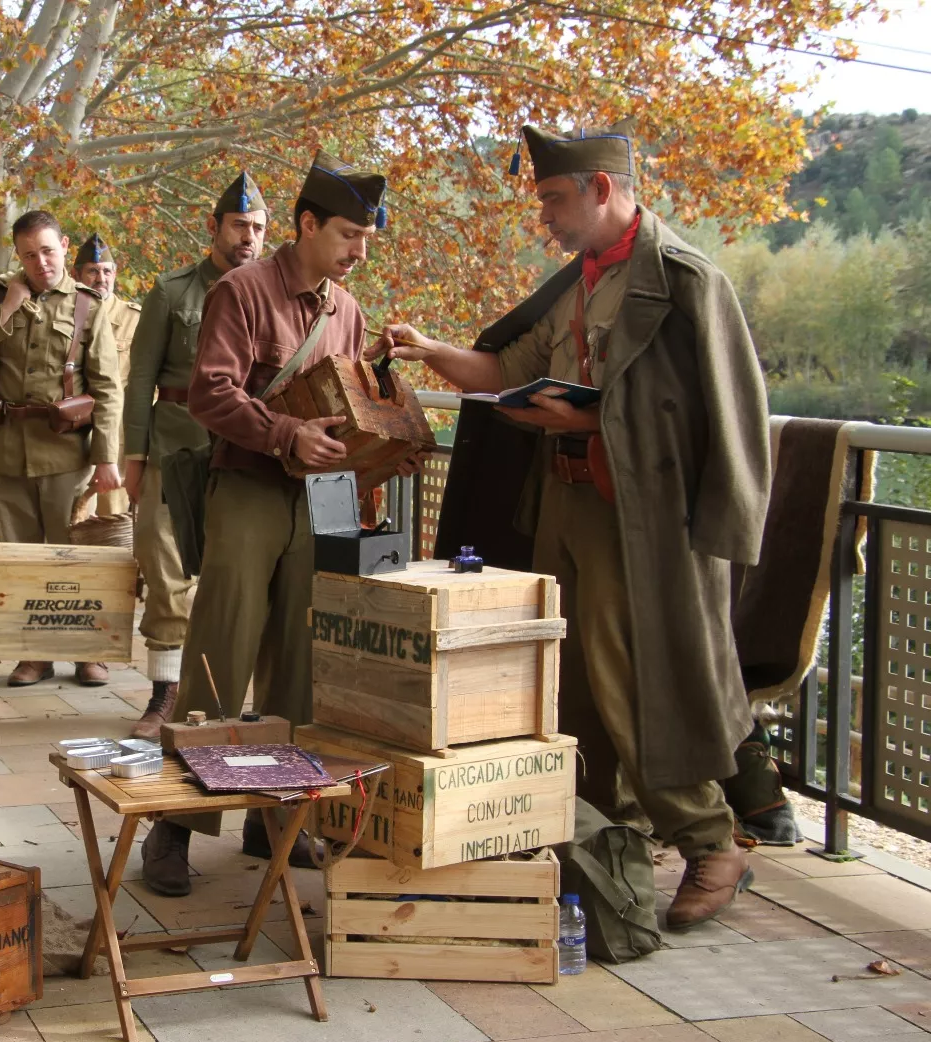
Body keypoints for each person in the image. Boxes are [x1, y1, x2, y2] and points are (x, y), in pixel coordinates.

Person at [387, 122, 771, 930]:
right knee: (572, 686)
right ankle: (604, 835)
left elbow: (732, 418)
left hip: (645, 518)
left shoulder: (687, 280)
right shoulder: (579, 282)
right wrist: (432, 352)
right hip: (567, 505)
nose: (547, 218)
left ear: (603, 189)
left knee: (637, 678)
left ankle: (711, 841)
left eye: (556, 200)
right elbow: (507, 373)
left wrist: (596, 427)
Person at [139, 152, 420, 896]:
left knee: (303, 661)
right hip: (253, 487)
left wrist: (379, 441)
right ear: (306, 225)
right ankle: (175, 825)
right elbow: (210, 393)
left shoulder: (347, 310)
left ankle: (275, 814)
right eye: (349, 235)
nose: (359, 251)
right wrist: (285, 434)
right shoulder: (243, 291)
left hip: (324, 496)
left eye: (366, 239)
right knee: (219, 655)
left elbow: (347, 406)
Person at [121, 171, 269, 739]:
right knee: (165, 573)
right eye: (238, 226)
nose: (248, 238)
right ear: (214, 227)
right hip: (174, 448)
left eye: (257, 227)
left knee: (233, 576)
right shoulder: (173, 291)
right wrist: (134, 458)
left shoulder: (269, 291)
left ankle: (226, 691)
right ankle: (165, 693)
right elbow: (139, 380)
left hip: (243, 454)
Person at [0, 211, 125, 688]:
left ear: (64, 246)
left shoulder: (88, 306)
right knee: (20, 557)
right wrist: (7, 312)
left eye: (49, 250)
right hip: (7, 448)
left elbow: (107, 387)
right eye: (30, 254)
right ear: (18, 256)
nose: (41, 262)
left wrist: (106, 458)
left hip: (65, 452)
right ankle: (32, 655)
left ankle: (87, 653)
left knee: (73, 555)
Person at [72, 234, 141, 516]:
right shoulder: (64, 311)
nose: (101, 278)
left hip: (117, 438)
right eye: (93, 271)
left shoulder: (134, 319)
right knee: (70, 521)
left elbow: (148, 382)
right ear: (76, 274)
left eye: (107, 271)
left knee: (112, 522)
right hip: (72, 433)